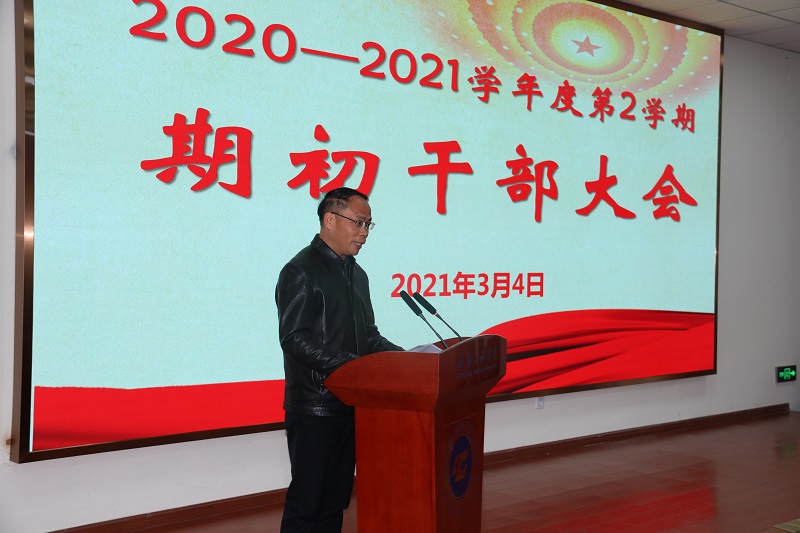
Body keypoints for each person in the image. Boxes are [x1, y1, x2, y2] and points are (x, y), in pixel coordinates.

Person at [276, 187, 404, 532]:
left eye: (368, 224)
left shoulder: (357, 275)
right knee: (308, 502)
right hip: (315, 407)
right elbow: (293, 339)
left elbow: (369, 336)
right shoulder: (300, 271)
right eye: (358, 222)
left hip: (352, 403)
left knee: (334, 500)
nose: (364, 232)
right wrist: (351, 366)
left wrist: (410, 360)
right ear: (330, 220)